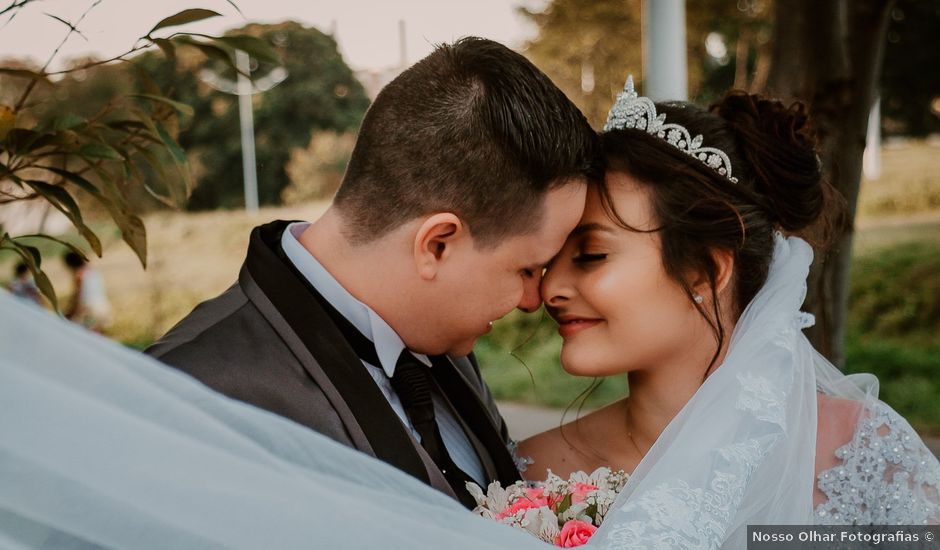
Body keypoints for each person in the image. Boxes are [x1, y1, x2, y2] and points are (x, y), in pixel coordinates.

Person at [146, 37, 599, 509]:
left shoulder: (440, 339)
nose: (533, 298)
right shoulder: (191, 395)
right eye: (527, 269)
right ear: (437, 245)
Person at [519, 76, 940, 541]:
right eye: (549, 258)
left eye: (591, 254)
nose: (550, 288)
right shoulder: (534, 475)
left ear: (707, 268)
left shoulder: (862, 453)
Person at [63, 251, 113, 333]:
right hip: (103, 309)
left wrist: (69, 314)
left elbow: (78, 297)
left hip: (90, 312)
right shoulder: (93, 272)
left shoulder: (79, 276)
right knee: (98, 337)